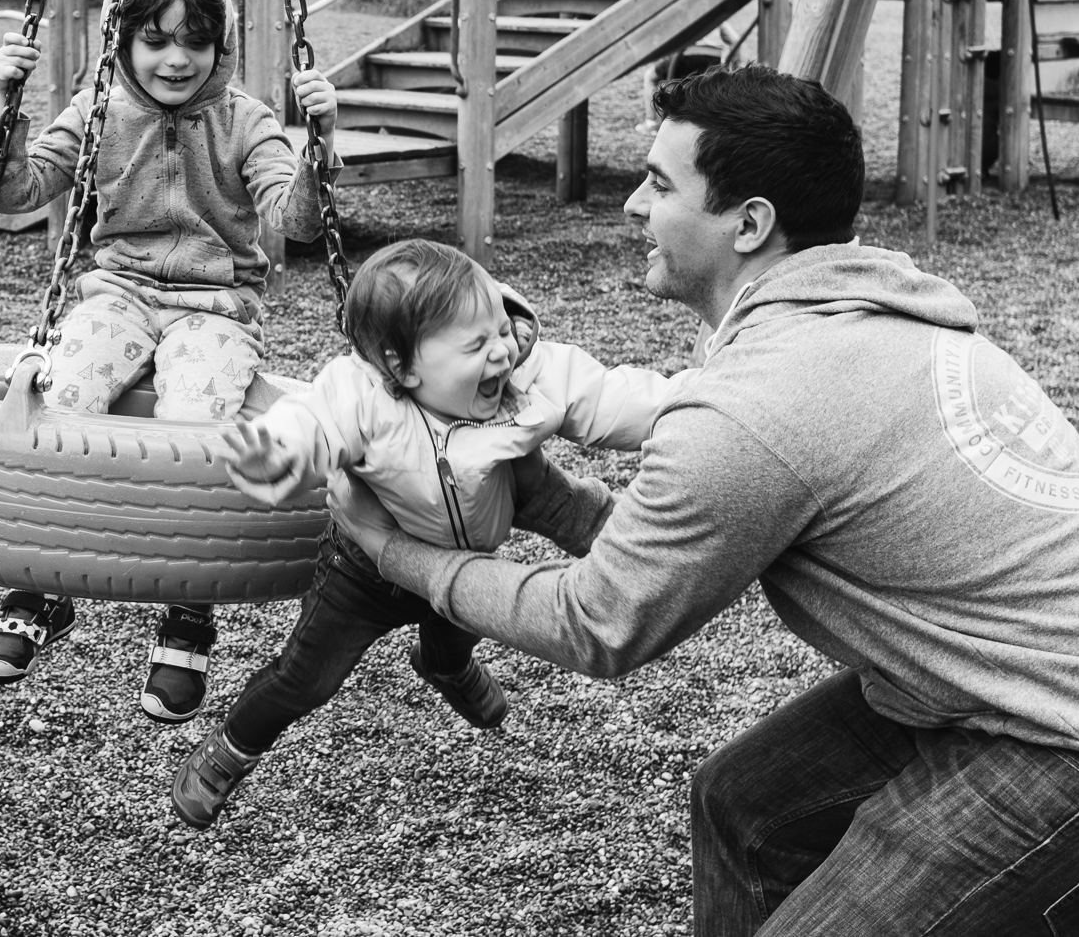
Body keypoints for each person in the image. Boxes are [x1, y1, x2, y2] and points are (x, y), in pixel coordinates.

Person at [328, 64, 1079, 936]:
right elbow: (688, 537)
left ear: (747, 224)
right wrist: (546, 501)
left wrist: (399, 554)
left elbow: (598, 620)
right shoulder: (851, 315)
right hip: (1012, 686)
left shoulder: (760, 401)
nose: (631, 203)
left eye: (659, 183)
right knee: (745, 808)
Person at [167, 239, 695, 829]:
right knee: (307, 677)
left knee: (456, 636)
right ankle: (232, 748)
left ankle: (445, 668)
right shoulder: (360, 394)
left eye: (499, 327)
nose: (501, 352)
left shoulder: (524, 372)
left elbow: (608, 397)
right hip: (363, 571)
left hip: (465, 558)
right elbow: (311, 420)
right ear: (403, 366)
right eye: (476, 344)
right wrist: (281, 453)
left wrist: (697, 402)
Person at [0, 0, 339, 725]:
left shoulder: (247, 119)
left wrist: (318, 147)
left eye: (196, 41)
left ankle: (188, 610)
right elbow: (18, 192)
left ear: (222, 43)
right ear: (122, 37)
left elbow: (294, 222)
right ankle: (43, 584)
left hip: (215, 305)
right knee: (63, 395)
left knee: (195, 422)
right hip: (119, 292)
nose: (177, 59)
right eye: (156, 38)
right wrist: (6, 104)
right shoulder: (99, 108)